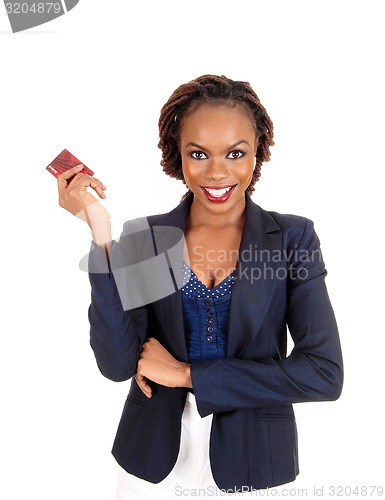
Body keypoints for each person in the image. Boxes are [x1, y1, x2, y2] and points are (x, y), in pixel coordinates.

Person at [57, 74, 343, 499]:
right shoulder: (149, 238)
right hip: (151, 458)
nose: (217, 172)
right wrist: (102, 236)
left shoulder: (290, 239)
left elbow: (323, 373)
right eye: (198, 153)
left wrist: (186, 374)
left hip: (254, 458)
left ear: (258, 152)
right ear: (179, 154)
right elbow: (117, 364)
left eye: (235, 153)